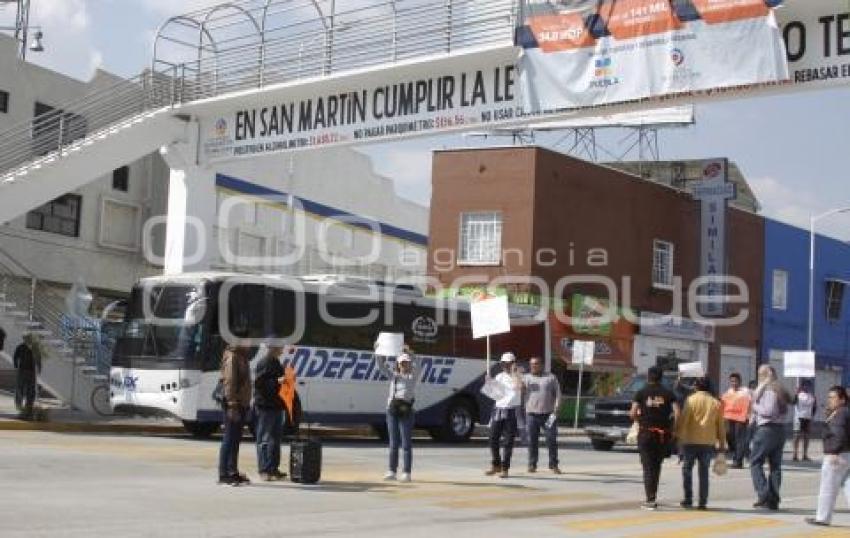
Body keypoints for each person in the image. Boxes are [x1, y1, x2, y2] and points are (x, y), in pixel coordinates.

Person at [630, 366, 680, 510]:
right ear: (661, 377)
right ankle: (653, 496)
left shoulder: (641, 393)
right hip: (662, 435)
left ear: (648, 377)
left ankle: (650, 500)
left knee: (647, 467)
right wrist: (673, 429)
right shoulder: (668, 393)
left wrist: (640, 420)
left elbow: (632, 413)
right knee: (656, 466)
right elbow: (678, 413)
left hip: (646, 433)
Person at [677, 377, 727, 510]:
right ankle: (702, 501)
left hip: (690, 441)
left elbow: (684, 420)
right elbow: (721, 426)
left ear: (696, 387)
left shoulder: (690, 400)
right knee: (704, 472)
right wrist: (722, 444)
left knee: (687, 470)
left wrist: (679, 438)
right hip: (707, 442)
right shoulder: (715, 403)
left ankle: (688, 499)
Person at [805, 386, 850, 527]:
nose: (829, 400)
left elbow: (838, 434)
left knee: (827, 488)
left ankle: (822, 518)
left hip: (836, 455)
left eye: (833, 397)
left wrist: (833, 452)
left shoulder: (841, 413)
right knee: (848, 486)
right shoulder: (843, 411)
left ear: (842, 400)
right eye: (829, 397)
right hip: (846, 454)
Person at [750, 364, 792, 511]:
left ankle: (764, 494)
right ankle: (773, 500)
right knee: (775, 466)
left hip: (767, 429)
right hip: (779, 430)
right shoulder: (780, 389)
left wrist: (753, 405)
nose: (758, 376)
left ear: (765, 375)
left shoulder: (769, 390)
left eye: (760, 374)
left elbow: (768, 411)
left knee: (755, 462)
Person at [377, 348, 419, 483]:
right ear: (398, 364)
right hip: (392, 411)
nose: (404, 365)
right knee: (393, 443)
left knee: (406, 443)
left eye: (406, 363)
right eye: (402, 363)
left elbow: (419, 365)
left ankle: (406, 472)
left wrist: (411, 353)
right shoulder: (393, 376)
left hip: (406, 412)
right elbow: (381, 367)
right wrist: (378, 352)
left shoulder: (412, 377)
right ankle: (391, 470)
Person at [484, 352, 523, 479]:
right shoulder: (499, 376)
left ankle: (505, 468)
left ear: (513, 363)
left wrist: (515, 373)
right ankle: (496, 465)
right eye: (504, 363)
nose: (506, 366)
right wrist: (489, 383)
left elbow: (520, 387)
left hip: (511, 411)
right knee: (493, 439)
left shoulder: (519, 375)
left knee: (508, 442)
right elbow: (494, 394)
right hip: (498, 409)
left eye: (508, 363)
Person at [218, 344, 252, 486]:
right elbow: (230, 382)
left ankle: (233, 471)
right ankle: (224, 473)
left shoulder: (242, 356)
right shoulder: (232, 357)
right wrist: (232, 404)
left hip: (241, 403)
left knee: (236, 439)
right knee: (229, 438)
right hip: (234, 404)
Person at [253, 344, 287, 482]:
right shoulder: (264, 362)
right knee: (264, 439)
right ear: (273, 348)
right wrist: (277, 381)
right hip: (265, 406)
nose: (282, 349)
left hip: (276, 406)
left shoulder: (276, 362)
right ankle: (264, 470)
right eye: (280, 347)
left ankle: (273, 468)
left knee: (275, 439)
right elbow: (259, 384)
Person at [523, 356, 562, 474]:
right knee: (532, 441)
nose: (533, 366)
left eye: (536, 364)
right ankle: (532, 464)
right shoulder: (526, 378)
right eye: (531, 364)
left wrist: (556, 409)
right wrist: (517, 376)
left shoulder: (550, 378)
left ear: (541, 365)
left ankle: (553, 464)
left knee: (551, 439)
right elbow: (518, 389)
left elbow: (558, 394)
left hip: (549, 415)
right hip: (531, 415)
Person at [721, 373, 751, 469]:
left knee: (739, 440)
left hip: (741, 419)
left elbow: (750, 404)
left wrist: (749, 417)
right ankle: (738, 456)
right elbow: (722, 403)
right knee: (731, 438)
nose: (734, 383)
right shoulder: (728, 392)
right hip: (730, 418)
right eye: (732, 381)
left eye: (735, 381)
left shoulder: (745, 392)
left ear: (740, 381)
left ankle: (738, 461)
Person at [13, 333, 42, 419]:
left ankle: (28, 409)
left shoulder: (35, 347)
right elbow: (15, 356)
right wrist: (15, 366)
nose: (27, 339)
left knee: (31, 391)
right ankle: (19, 407)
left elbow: (38, 358)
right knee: (19, 390)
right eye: (25, 338)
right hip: (21, 371)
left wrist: (39, 367)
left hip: (31, 372)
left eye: (29, 338)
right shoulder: (20, 347)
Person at [792, 382, 817, 462]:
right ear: (802, 386)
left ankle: (805, 455)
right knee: (797, 436)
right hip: (799, 417)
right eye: (805, 385)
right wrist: (796, 394)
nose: (807, 387)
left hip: (807, 418)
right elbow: (793, 402)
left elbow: (814, 407)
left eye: (808, 385)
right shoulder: (798, 395)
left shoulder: (812, 396)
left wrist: (811, 416)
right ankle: (795, 454)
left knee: (806, 437)